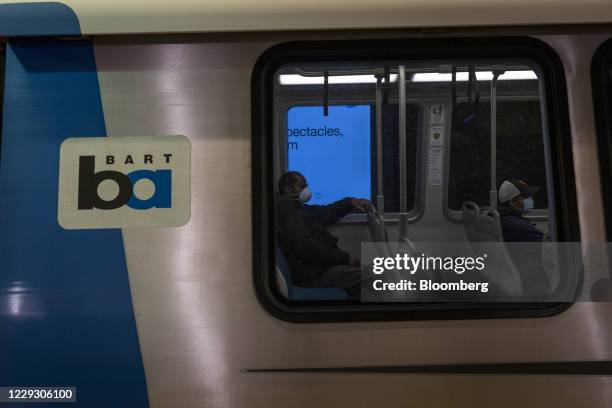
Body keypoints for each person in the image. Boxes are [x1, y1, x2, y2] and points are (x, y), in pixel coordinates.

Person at [275, 171, 371, 298]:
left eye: (306, 185)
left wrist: (349, 203)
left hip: (315, 268)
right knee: (370, 279)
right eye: (302, 186)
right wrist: (346, 259)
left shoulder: (297, 208)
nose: (306, 190)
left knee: (365, 273)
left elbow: (323, 213)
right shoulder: (291, 216)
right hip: (313, 274)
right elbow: (312, 250)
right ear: (288, 189)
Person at [497, 179, 550, 295]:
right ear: (513, 202)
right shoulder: (517, 225)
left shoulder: (506, 218)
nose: (529, 200)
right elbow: (546, 247)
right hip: (529, 272)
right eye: (524, 197)